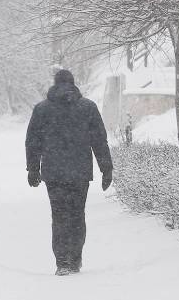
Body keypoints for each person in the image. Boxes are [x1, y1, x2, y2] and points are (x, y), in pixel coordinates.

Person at [25, 69, 113, 276]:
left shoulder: (42, 109)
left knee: (59, 216)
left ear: (54, 84)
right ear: (74, 84)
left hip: (54, 173)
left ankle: (62, 261)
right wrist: (106, 168)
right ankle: (75, 259)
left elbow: (32, 141)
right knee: (77, 215)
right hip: (80, 172)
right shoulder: (88, 108)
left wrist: (33, 168)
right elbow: (99, 140)